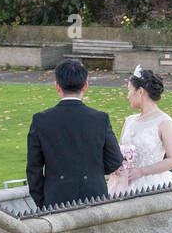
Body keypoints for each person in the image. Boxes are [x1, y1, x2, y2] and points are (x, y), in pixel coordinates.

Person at [26, 59, 124, 210]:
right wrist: (93, 171)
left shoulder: (41, 120)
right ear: (85, 86)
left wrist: (43, 201)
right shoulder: (99, 119)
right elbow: (115, 159)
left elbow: (34, 168)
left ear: (57, 86)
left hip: (56, 197)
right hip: (95, 194)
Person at [108, 66, 172, 195]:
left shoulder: (164, 122)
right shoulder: (129, 120)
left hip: (152, 183)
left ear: (140, 91)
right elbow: (121, 153)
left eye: (130, 90)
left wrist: (142, 171)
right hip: (124, 182)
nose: (128, 96)